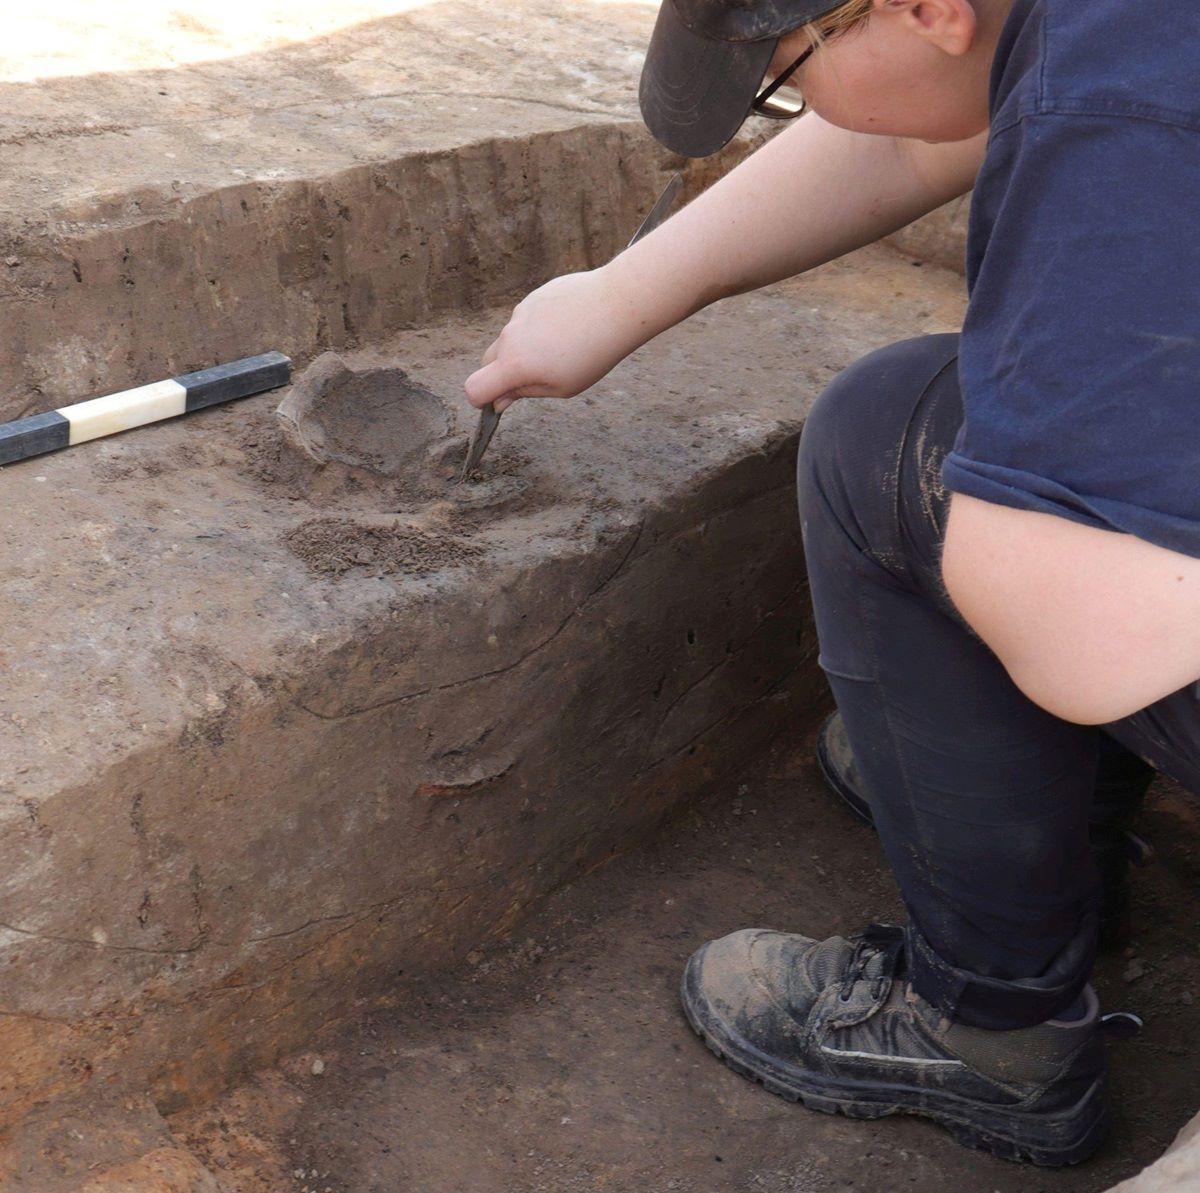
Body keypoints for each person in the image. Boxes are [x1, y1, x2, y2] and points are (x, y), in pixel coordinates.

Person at [465, 0, 1200, 1168]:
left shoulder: (1118, 112)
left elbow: (1089, 637)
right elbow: (921, 129)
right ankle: (1028, 827)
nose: (797, 104)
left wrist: (1002, 578)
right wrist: (621, 295)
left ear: (926, 11)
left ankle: (994, 1029)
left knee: (890, 450)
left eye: (786, 76)